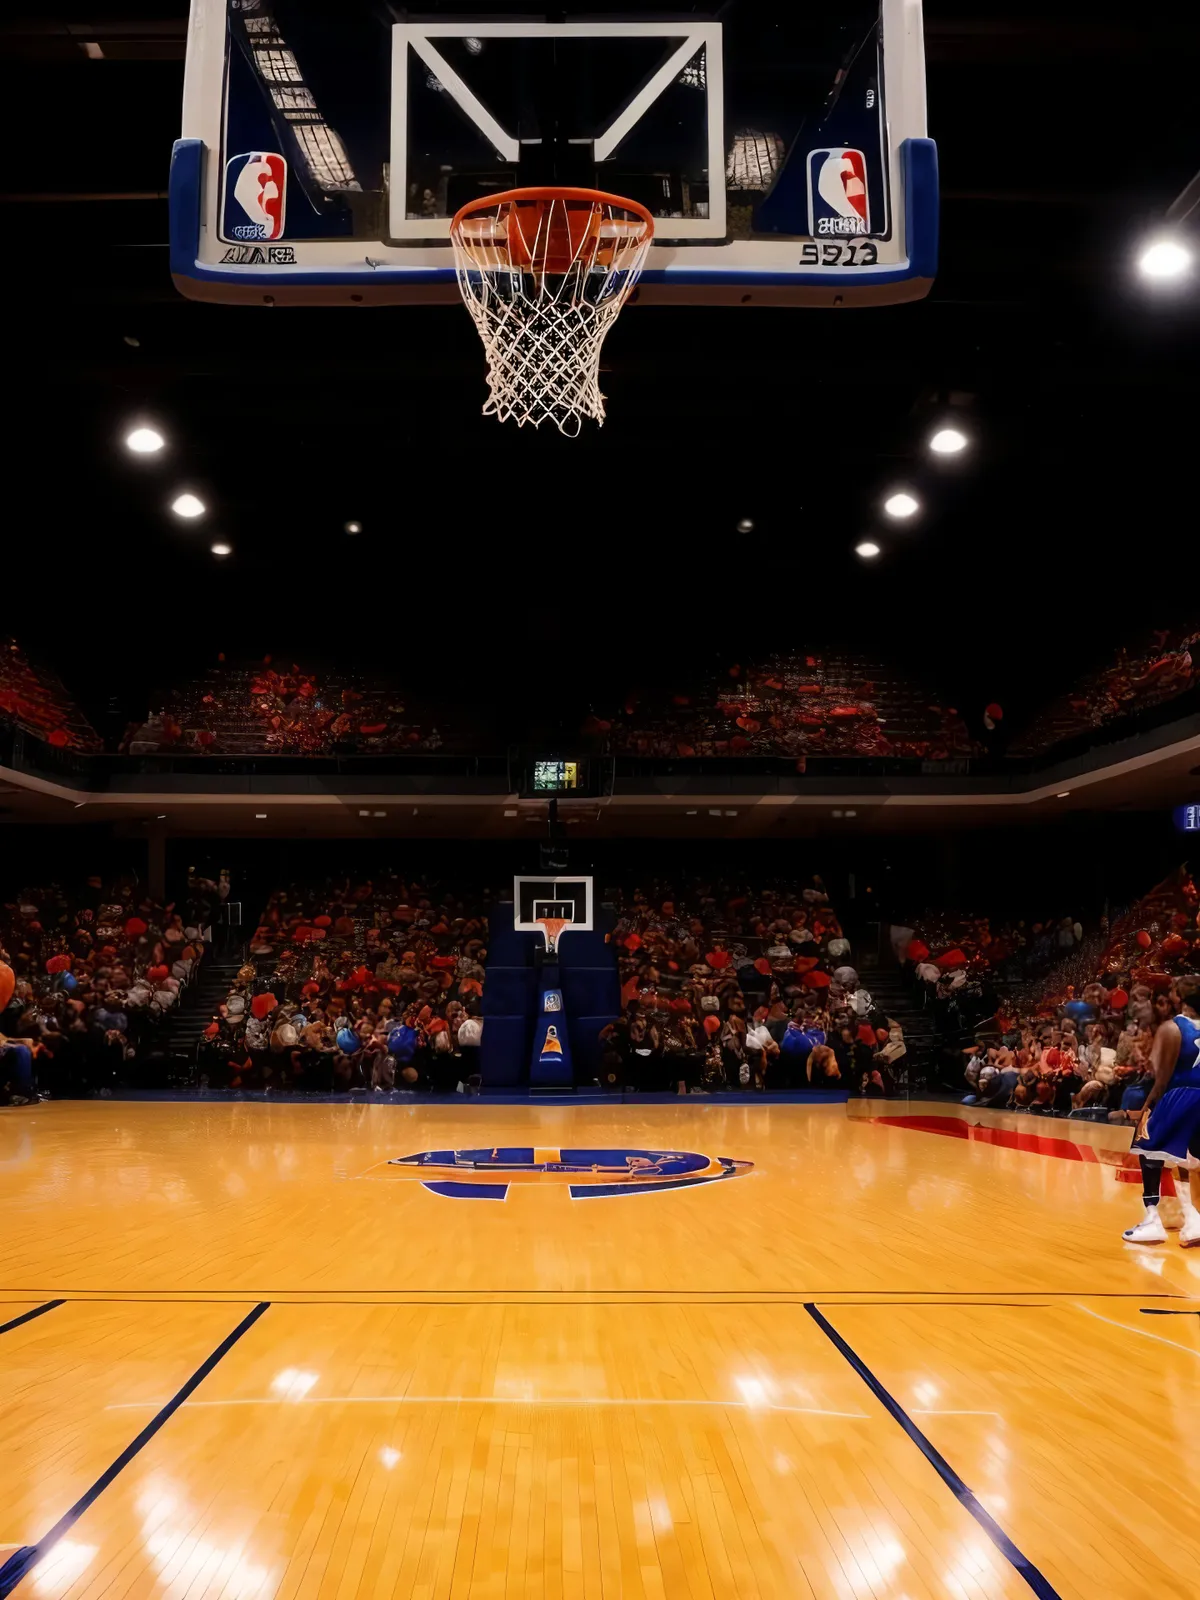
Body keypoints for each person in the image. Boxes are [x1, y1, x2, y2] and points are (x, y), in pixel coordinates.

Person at [1123, 975, 1200, 1246]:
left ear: (1179, 998)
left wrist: (1145, 1111)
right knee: (1184, 1158)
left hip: (1181, 1095)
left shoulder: (1174, 1027)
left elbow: (1162, 1080)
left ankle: (1152, 1219)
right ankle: (1193, 1220)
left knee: (1147, 1149)